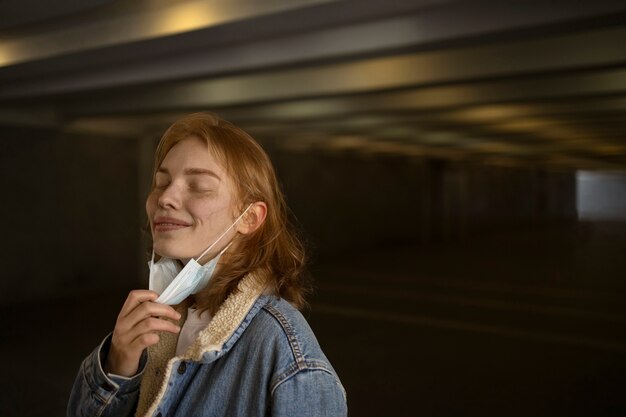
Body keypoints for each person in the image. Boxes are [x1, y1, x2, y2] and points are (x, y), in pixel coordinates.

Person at [67, 113, 347, 417]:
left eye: (198, 185)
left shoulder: (285, 351)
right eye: (162, 182)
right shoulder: (167, 315)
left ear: (250, 218)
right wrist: (118, 365)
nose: (165, 198)